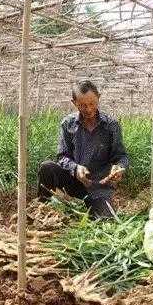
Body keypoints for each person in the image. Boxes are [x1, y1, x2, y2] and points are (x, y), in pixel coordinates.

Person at [37, 80, 129, 219]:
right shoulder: (68, 124)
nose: (88, 109)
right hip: (74, 181)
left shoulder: (111, 125)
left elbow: (121, 156)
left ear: (99, 97)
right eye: (82, 105)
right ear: (74, 102)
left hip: (99, 186)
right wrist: (75, 168)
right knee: (47, 168)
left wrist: (120, 167)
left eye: (92, 103)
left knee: (105, 221)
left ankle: (97, 207)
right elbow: (62, 156)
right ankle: (43, 211)